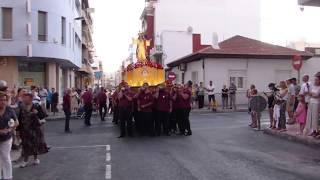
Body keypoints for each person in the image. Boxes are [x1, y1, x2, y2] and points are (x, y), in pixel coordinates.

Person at [19, 92, 49, 168]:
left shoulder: (36, 106)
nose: (25, 99)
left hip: (35, 129)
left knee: (35, 144)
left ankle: (36, 159)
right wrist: (18, 129)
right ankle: (25, 160)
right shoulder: (21, 107)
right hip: (25, 129)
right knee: (25, 145)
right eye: (24, 98)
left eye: (27, 98)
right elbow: (19, 118)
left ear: (31, 99)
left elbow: (43, 116)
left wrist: (37, 113)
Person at [0, 91, 19, 180]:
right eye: (0, 100)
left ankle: (8, 177)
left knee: (6, 157)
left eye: (4, 100)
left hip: (6, 138)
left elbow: (16, 122)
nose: (3, 102)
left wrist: (9, 130)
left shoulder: (9, 109)